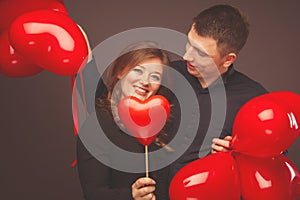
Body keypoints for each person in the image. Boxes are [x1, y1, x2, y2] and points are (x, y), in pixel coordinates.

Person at [167, 4, 268, 181]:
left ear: (228, 59)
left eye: (200, 53)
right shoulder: (166, 75)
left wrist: (240, 154)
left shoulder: (254, 99)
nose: (187, 56)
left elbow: (270, 159)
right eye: (189, 43)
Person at [76, 42, 178, 200]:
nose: (145, 81)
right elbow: (93, 194)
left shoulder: (163, 122)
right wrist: (131, 196)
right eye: (138, 70)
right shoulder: (98, 125)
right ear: (120, 71)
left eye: (155, 76)